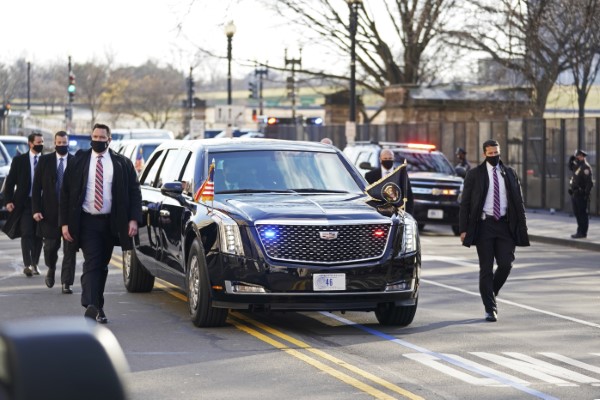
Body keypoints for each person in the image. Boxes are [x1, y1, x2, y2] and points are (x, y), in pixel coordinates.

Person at [60, 123, 142, 324]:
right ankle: (91, 304)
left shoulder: (122, 163)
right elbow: (66, 193)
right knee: (92, 262)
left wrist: (133, 219)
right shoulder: (79, 160)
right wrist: (64, 224)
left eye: (101, 137)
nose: (97, 140)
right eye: (94, 136)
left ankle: (98, 306)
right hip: (87, 221)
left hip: (111, 222)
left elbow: (134, 191)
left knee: (102, 265)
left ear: (109, 139)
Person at [458, 139, 529, 322]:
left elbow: (519, 203)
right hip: (484, 226)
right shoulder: (474, 174)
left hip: (505, 226)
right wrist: (463, 229)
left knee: (506, 264)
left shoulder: (510, 173)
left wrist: (522, 227)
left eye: (496, 153)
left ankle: (491, 292)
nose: (494, 156)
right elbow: (465, 204)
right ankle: (490, 308)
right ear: (484, 154)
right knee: (486, 269)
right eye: (490, 154)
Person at [32, 131, 77, 293]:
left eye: (65, 143)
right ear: (54, 143)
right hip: (48, 213)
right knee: (50, 248)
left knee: (69, 250)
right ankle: (51, 267)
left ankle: (66, 283)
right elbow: (36, 187)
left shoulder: (75, 161)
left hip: (70, 214)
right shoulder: (44, 161)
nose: (62, 145)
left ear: (68, 143)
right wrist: (36, 209)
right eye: (59, 142)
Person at [2, 132, 44, 277]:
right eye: (38, 142)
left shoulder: (46, 160)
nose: (40, 145)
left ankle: (35, 263)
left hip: (42, 203)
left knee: (39, 235)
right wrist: (8, 201)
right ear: (30, 143)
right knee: (27, 233)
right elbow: (10, 182)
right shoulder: (19, 161)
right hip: (24, 203)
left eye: (42, 142)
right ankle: (27, 265)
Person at [365, 149, 414, 214]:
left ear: (394, 158)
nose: (388, 160)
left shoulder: (401, 174)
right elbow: (367, 196)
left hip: (398, 211)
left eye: (390, 158)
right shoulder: (370, 176)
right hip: (378, 211)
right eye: (385, 158)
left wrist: (409, 214)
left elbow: (408, 195)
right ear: (380, 159)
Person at [568, 149, 594, 239]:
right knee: (577, 213)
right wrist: (570, 162)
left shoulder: (585, 167)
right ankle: (579, 231)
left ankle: (583, 232)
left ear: (583, 156)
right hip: (575, 193)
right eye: (576, 156)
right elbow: (572, 170)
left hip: (581, 194)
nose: (577, 157)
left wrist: (586, 193)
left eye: (578, 156)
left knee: (582, 213)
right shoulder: (578, 166)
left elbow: (589, 183)